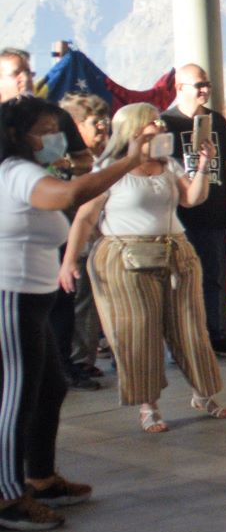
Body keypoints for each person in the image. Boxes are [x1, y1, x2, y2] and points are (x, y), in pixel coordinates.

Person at [0, 96, 151, 530]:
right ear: (17, 135)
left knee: (49, 387)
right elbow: (69, 193)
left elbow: (77, 176)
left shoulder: (33, 170)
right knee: (17, 395)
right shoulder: (17, 172)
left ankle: (41, 477)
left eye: (57, 127)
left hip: (34, 296)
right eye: (46, 129)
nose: (55, 137)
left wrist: (90, 158)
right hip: (13, 296)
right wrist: (127, 162)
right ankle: (8, 496)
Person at [59, 104, 226, 433]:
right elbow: (85, 217)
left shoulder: (169, 164)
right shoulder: (110, 168)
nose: (160, 126)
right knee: (139, 331)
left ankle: (203, 394)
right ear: (133, 130)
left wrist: (204, 164)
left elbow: (192, 199)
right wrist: (68, 261)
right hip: (125, 257)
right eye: (152, 122)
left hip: (175, 251)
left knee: (191, 327)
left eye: (159, 121)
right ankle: (148, 406)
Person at [162, 63, 226, 357]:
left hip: (215, 211)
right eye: (199, 85)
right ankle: (184, 338)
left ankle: (215, 333)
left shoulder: (216, 120)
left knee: (215, 274)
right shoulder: (166, 123)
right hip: (182, 216)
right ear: (180, 87)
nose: (205, 90)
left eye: (207, 84)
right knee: (182, 279)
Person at [57, 94, 111, 388]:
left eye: (105, 121)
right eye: (95, 123)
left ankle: (85, 360)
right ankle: (76, 360)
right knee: (77, 303)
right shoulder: (63, 162)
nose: (102, 127)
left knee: (89, 303)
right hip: (72, 241)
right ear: (76, 126)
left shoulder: (105, 155)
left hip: (100, 241)